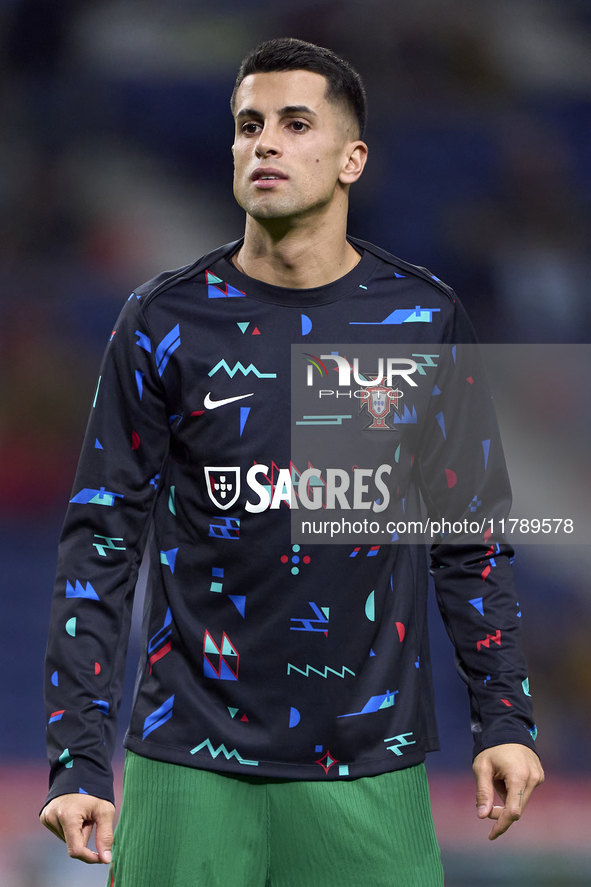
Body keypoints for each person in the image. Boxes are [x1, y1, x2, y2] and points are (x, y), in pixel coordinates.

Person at [40, 37, 544, 886]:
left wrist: (504, 717)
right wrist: (76, 753)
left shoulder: (420, 318)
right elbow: (101, 539)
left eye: (294, 123)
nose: (263, 142)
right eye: (247, 125)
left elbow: (470, 540)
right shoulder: (162, 320)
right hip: (184, 762)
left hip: (367, 772)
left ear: (351, 159)